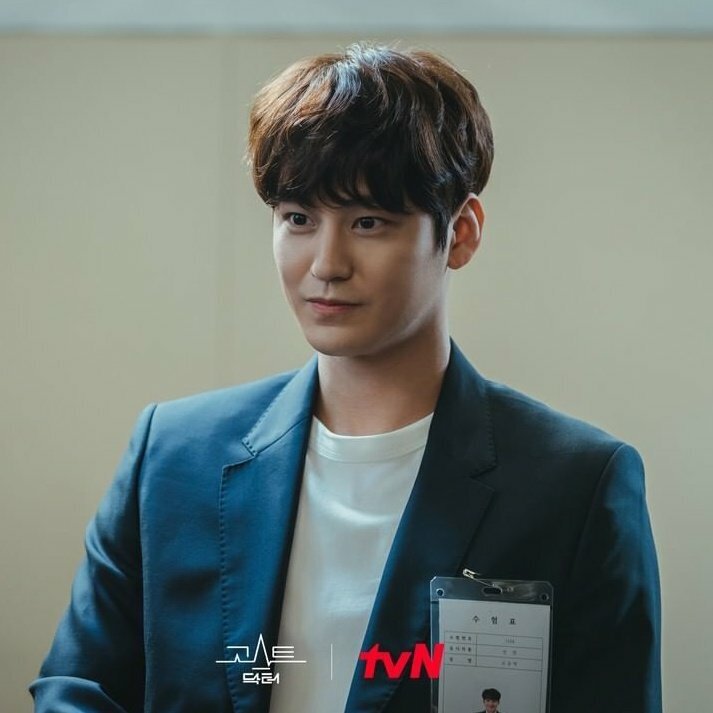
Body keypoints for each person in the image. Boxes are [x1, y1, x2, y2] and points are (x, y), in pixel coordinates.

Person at [29, 43, 661, 713]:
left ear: (461, 233)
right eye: (298, 219)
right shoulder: (173, 454)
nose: (326, 264)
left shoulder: (574, 484)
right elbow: (80, 687)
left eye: (368, 222)